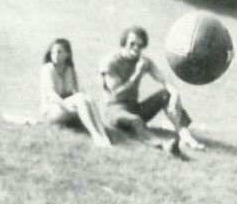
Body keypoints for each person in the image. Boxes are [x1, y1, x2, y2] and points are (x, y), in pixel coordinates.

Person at [100, 25, 203, 154]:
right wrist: (137, 74)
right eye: (132, 44)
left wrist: (174, 94)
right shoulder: (110, 61)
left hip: (134, 108)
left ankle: (185, 135)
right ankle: (163, 145)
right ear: (124, 43)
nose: (136, 48)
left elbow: (165, 80)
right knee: (135, 120)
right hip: (115, 111)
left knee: (166, 95)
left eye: (140, 45)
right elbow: (117, 92)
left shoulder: (143, 61)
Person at [37, 38, 115, 147]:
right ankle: (95, 135)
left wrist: (82, 97)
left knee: (88, 99)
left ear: (67, 55)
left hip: (65, 109)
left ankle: (103, 135)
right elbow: (51, 95)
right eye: (53, 52)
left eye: (60, 52)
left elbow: (72, 92)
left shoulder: (69, 70)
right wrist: (66, 105)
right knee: (80, 98)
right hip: (51, 112)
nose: (55, 55)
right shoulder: (48, 69)